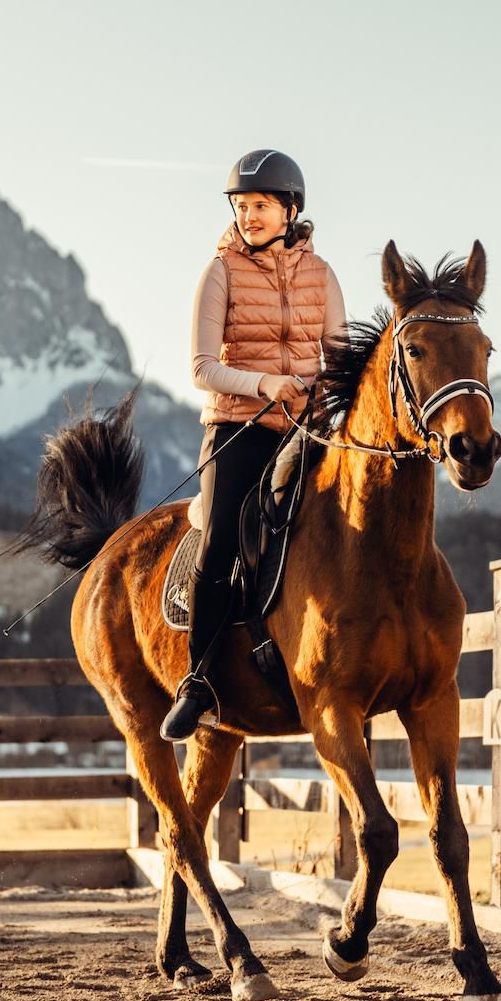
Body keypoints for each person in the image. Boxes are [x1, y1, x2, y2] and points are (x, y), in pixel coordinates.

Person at [161, 149, 346, 742]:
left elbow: (339, 361)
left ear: (291, 209)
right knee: (218, 541)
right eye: (242, 206)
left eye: (261, 205)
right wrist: (266, 383)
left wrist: (317, 394)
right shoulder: (219, 272)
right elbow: (201, 367)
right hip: (236, 426)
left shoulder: (323, 276)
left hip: (304, 429)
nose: (249, 216)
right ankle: (198, 682)